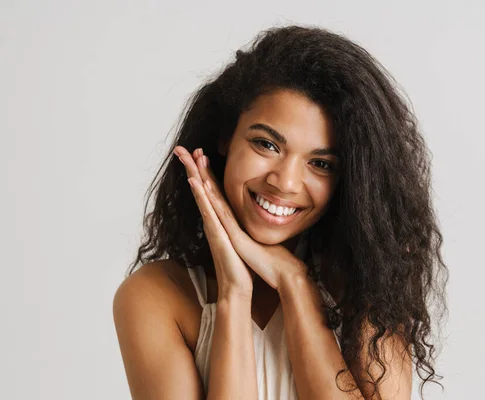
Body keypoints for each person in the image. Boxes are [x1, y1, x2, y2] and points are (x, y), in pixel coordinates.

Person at [113, 25, 448, 400]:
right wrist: (233, 295)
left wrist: (295, 282)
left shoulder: (369, 288)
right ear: (226, 136)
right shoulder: (155, 296)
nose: (286, 182)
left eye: (321, 164)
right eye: (266, 144)